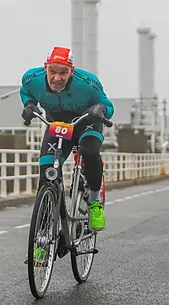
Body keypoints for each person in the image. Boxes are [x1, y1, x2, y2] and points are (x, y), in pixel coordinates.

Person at [20, 46, 115, 237]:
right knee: (47, 175)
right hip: (57, 123)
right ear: (45, 67)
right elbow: (26, 92)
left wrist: (100, 110)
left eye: (63, 72)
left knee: (89, 152)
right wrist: (29, 105)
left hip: (86, 122)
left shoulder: (88, 83)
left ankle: (95, 203)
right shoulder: (32, 78)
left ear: (72, 71)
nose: (57, 78)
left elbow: (108, 106)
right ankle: (42, 237)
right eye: (52, 71)